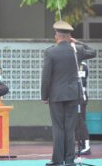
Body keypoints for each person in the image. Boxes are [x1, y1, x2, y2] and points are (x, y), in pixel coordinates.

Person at [41, 21, 96, 166]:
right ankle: (70, 160)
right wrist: (77, 42)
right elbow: (93, 52)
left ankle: (58, 160)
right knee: (70, 127)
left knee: (58, 127)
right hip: (73, 95)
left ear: (57, 36)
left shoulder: (50, 52)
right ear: (69, 36)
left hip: (56, 96)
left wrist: (44, 96)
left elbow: (46, 76)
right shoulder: (76, 50)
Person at [75, 61, 91, 155]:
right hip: (75, 96)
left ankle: (86, 145)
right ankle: (81, 143)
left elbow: (81, 80)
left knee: (81, 121)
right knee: (77, 121)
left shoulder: (82, 65)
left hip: (80, 96)